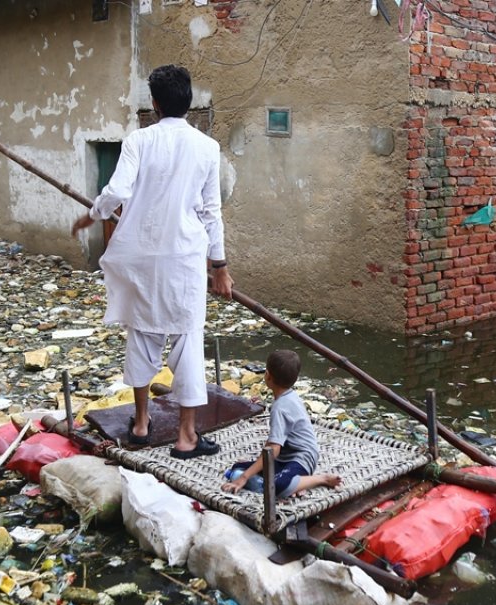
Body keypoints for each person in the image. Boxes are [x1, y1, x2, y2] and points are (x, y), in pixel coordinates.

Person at [71, 64, 232, 460]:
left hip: (141, 255)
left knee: (142, 332)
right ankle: (186, 436)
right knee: (187, 337)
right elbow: (211, 212)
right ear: (188, 102)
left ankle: (141, 424)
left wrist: (93, 214)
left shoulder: (138, 141)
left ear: (155, 104)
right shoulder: (207, 147)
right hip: (184, 257)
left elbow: (117, 190)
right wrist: (220, 267)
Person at [221, 350, 342, 498]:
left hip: (301, 458)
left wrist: (245, 477)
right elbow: (272, 443)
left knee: (276, 486)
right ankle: (297, 483)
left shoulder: (280, 408)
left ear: (267, 375)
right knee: (237, 468)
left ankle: (321, 479)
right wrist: (252, 466)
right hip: (285, 459)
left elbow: (273, 450)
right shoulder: (290, 396)